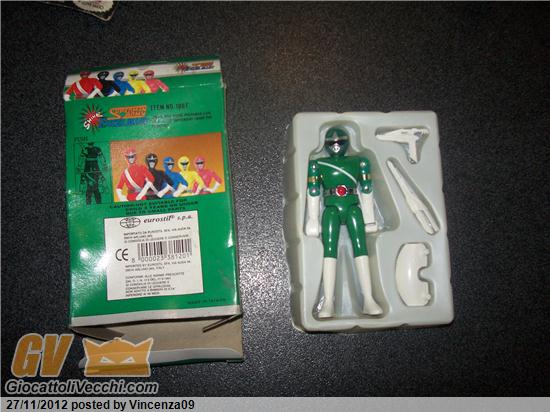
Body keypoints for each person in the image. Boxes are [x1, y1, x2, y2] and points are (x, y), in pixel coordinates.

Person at [305, 126, 382, 318]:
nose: (336, 145)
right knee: (329, 250)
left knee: (360, 247)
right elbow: (313, 191)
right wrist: (313, 219)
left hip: (353, 207)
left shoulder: (360, 162)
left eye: (340, 141)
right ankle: (328, 302)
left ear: (347, 142)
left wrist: (369, 219)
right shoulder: (317, 164)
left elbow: (366, 189)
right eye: (332, 142)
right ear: (326, 144)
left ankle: (369, 299)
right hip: (331, 208)